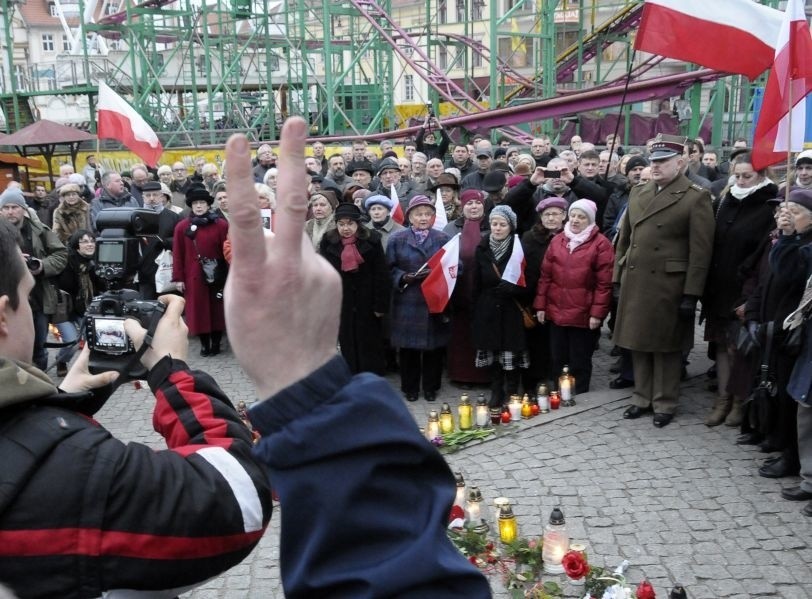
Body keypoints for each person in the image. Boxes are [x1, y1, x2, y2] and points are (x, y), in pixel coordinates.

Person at [223, 118, 490, 595]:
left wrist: (299, 380)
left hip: (368, 314)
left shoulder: (375, 239)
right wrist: (308, 384)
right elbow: (400, 567)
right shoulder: (328, 241)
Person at [0, 217, 273, 596]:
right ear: (2, 315)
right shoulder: (74, 473)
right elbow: (235, 497)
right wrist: (172, 372)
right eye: (28, 297)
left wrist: (59, 406)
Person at [613, 137, 715, 428]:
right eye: (653, 161)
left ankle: (665, 402)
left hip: (669, 284)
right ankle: (641, 397)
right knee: (638, 342)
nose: (655, 166)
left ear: (680, 163)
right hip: (636, 278)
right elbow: (625, 240)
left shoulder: (695, 196)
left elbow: (701, 251)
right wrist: (617, 278)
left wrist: (691, 294)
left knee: (666, 347)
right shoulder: (638, 192)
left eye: (662, 161)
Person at [702, 153, 778, 428]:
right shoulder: (724, 200)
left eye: (748, 176)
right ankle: (722, 399)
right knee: (721, 345)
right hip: (719, 286)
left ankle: (737, 400)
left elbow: (763, 252)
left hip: (745, 287)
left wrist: (750, 294)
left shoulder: (769, 203)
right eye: (738, 175)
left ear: (761, 175)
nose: (742, 181)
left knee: (739, 348)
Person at [534, 199, 613, 394]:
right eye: (573, 215)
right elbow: (545, 277)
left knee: (579, 357)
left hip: (582, 312)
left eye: (582, 217)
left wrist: (597, 314)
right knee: (557, 355)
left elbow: (604, 284)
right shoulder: (558, 240)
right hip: (556, 310)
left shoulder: (601, 244)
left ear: (590, 220)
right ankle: (558, 390)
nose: (576, 220)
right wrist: (541, 306)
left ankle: (579, 391)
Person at [770, 188, 812, 517]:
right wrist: (786, 236)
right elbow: (783, 271)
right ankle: (809, 479)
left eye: (796, 211)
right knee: (805, 407)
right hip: (804, 339)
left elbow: (796, 272)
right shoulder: (800, 242)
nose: (790, 215)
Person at [387, 195, 452, 402]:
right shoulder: (397, 239)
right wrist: (403, 277)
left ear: (433, 217)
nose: (423, 218)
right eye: (418, 214)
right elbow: (388, 269)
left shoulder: (442, 238)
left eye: (427, 214)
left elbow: (454, 265)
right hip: (408, 300)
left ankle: (431, 387)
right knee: (408, 350)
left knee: (433, 349)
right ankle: (410, 388)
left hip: (433, 300)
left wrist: (437, 274)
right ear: (410, 217)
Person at [0, 188, 67, 372]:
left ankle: (38, 385)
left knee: (39, 347)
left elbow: (61, 255)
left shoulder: (40, 231)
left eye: (14, 207)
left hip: (38, 299)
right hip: (8, 301)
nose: (10, 211)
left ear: (24, 209)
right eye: (5, 207)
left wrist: (41, 265)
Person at [320, 203, 391, 375]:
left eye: (350, 223)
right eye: (342, 224)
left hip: (367, 301)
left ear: (358, 224)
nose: (346, 228)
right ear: (336, 224)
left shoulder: (372, 240)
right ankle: (351, 375)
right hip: (342, 302)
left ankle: (371, 377)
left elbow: (381, 274)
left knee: (370, 341)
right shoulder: (328, 241)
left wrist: (380, 305)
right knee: (347, 341)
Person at [472, 205, 530, 407]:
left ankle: (512, 391)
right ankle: (496, 391)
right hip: (487, 307)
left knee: (510, 351)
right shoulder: (482, 248)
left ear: (510, 226)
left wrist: (514, 289)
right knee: (494, 354)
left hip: (511, 309)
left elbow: (529, 281)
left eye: (502, 224)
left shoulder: (519, 248)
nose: (497, 228)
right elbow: (475, 281)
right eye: (494, 224)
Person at [172, 184, 229, 356]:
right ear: (191, 205)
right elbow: (178, 254)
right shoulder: (182, 227)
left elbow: (227, 250)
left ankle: (216, 343)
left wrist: (230, 275)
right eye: (195, 203)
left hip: (217, 275)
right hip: (193, 275)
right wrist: (179, 278)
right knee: (199, 311)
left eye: (202, 203)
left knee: (217, 309)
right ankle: (204, 344)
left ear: (208, 205)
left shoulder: (221, 225)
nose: (198, 206)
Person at [444, 189, 491, 386]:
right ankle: (461, 375)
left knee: (483, 332)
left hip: (485, 290)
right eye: (469, 204)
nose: (473, 207)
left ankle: (485, 375)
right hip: (459, 289)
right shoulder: (450, 229)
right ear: (462, 207)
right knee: (460, 336)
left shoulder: (492, 226)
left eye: (477, 203)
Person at [522, 196, 567, 392]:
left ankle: (557, 375)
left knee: (558, 340)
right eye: (546, 214)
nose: (550, 218)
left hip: (562, 296)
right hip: (535, 295)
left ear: (564, 216)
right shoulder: (530, 237)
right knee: (537, 340)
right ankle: (536, 377)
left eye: (555, 214)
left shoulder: (571, 236)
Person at [53, 229, 104, 376]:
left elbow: (101, 287)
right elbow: (63, 285)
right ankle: (62, 360)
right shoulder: (66, 261)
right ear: (76, 245)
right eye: (85, 241)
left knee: (93, 341)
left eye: (92, 241)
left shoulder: (97, 261)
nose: (90, 245)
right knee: (71, 342)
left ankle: (89, 367)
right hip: (65, 309)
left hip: (87, 309)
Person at [137, 181, 183, 300]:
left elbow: (180, 241)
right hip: (144, 272)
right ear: (143, 197)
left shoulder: (173, 217)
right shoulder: (136, 217)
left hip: (166, 271)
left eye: (155, 195)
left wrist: (166, 242)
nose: (151, 199)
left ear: (162, 196)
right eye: (148, 195)